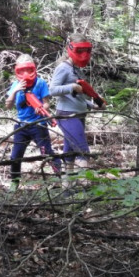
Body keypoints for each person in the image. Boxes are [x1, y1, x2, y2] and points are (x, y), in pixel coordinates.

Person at [49, 36, 105, 177]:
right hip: (67, 115)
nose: (84, 55)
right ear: (71, 49)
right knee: (83, 152)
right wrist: (72, 87)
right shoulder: (63, 68)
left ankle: (68, 186)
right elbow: (52, 90)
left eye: (87, 51)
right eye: (80, 51)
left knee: (70, 153)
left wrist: (93, 105)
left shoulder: (76, 69)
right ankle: (86, 185)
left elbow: (78, 97)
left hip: (79, 114)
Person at [5, 54, 61, 185]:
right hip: (21, 126)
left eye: (28, 70)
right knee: (15, 156)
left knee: (47, 153)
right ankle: (14, 183)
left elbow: (47, 103)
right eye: (22, 70)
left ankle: (60, 179)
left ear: (33, 69)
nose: (25, 73)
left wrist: (40, 108)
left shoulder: (40, 83)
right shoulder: (15, 85)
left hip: (38, 125)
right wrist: (15, 91)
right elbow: (8, 106)